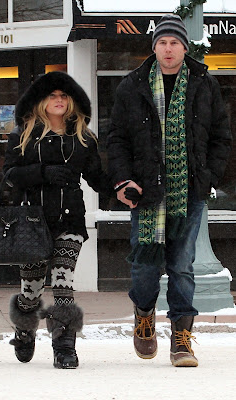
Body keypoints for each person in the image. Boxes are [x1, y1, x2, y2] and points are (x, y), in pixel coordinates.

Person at [107, 14, 232, 367]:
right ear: (154, 46)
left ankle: (181, 337)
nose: (168, 49)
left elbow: (221, 136)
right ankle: (144, 313)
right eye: (162, 42)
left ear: (184, 46)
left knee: (181, 264)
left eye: (174, 42)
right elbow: (117, 139)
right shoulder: (132, 85)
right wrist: (122, 180)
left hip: (188, 192)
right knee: (145, 267)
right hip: (144, 192)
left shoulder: (203, 84)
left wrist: (208, 178)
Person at [3, 71, 112, 369]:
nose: (59, 100)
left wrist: (123, 187)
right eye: (53, 95)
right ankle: (25, 329)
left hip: (70, 221)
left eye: (64, 96)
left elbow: (97, 178)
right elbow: (9, 175)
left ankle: (64, 345)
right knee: (31, 290)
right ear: (41, 100)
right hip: (33, 223)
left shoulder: (83, 136)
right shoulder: (23, 133)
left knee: (63, 281)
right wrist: (42, 172)